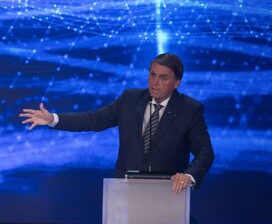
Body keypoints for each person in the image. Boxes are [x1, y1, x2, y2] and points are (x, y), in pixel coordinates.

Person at [20, 53, 214, 193]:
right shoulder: (130, 100)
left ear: (176, 82)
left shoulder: (190, 109)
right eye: (152, 75)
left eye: (163, 78)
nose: (155, 82)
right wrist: (53, 119)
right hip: (126, 189)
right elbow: (94, 119)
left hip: (168, 192)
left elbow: (205, 152)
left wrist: (188, 176)